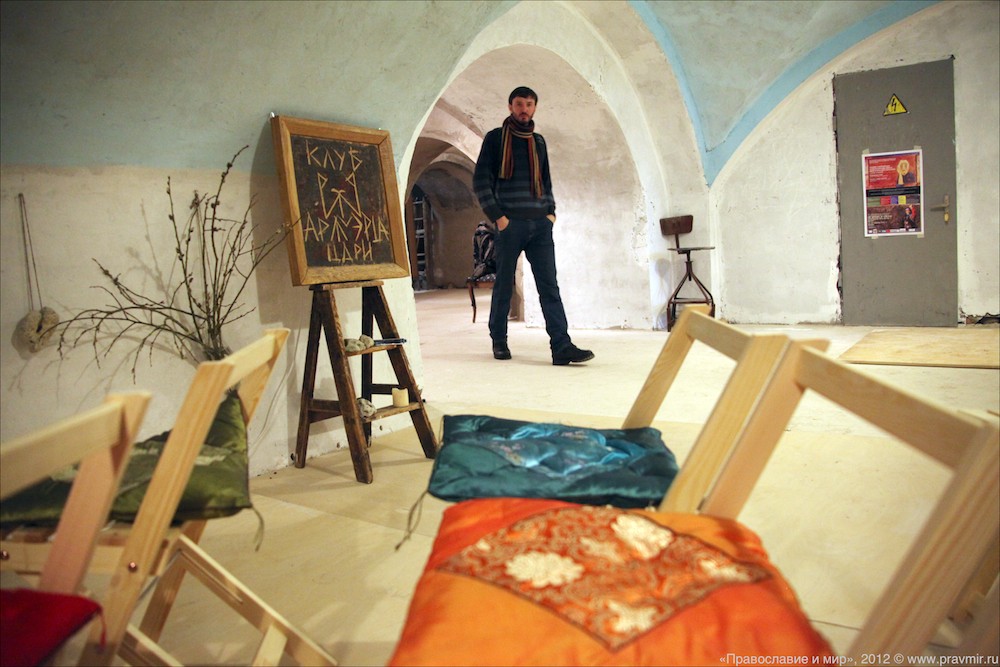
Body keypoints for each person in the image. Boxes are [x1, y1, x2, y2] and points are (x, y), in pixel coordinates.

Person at [472, 85, 594, 365]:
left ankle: (561, 347)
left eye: (529, 104)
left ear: (535, 108)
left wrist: (550, 213)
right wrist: (499, 217)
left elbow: (546, 180)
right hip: (510, 224)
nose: (524, 109)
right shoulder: (495, 138)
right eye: (519, 104)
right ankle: (499, 340)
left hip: (540, 224)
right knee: (504, 285)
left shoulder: (538, 142)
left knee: (549, 286)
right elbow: (481, 180)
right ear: (510, 107)